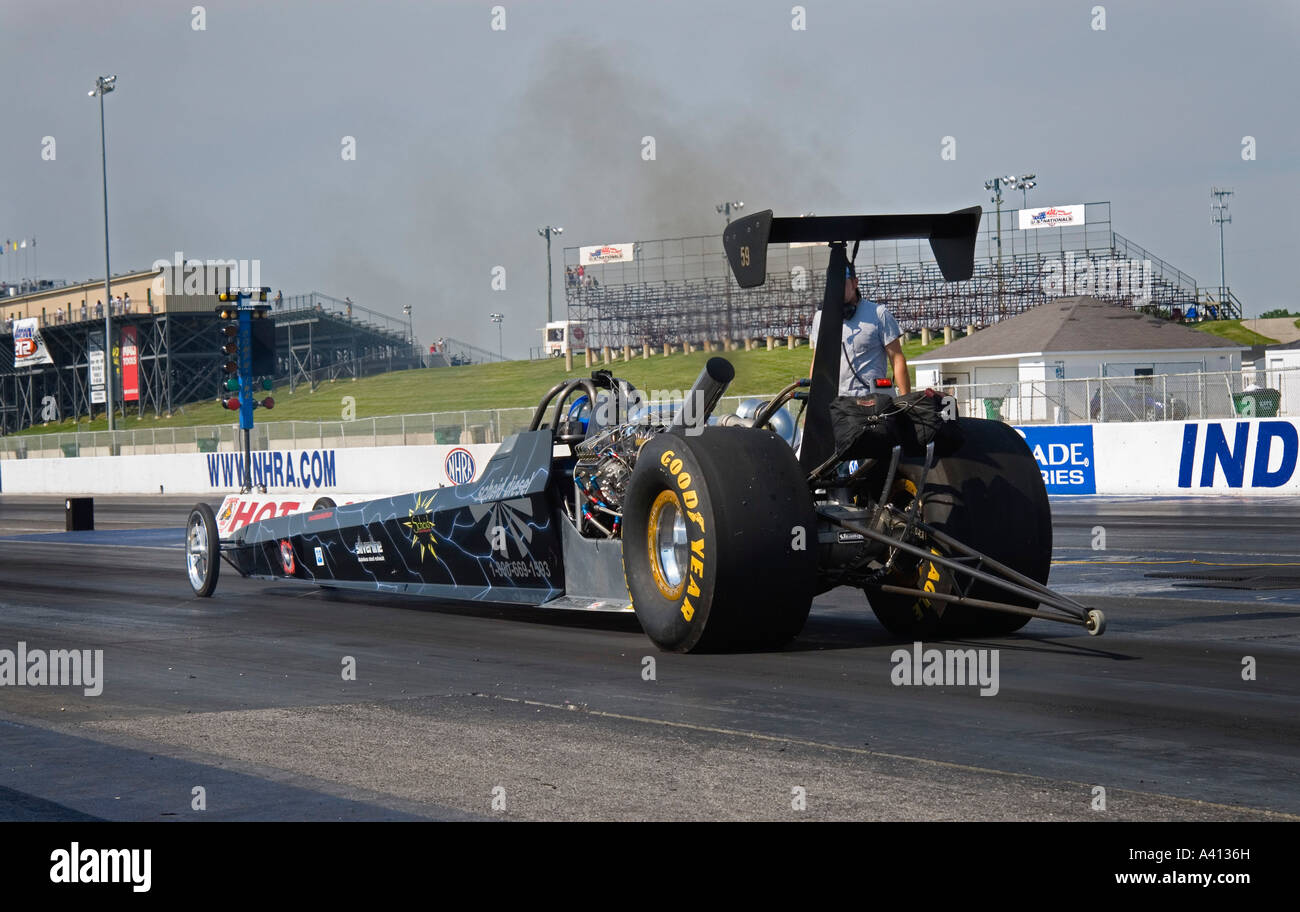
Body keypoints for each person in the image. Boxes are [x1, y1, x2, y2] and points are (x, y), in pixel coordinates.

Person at [809, 265, 909, 397]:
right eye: (834, 285)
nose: (838, 289)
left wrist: (905, 401)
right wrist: (813, 407)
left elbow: (897, 359)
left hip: (875, 402)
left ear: (855, 283)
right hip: (839, 403)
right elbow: (818, 363)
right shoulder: (821, 318)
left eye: (842, 284)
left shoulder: (879, 314)